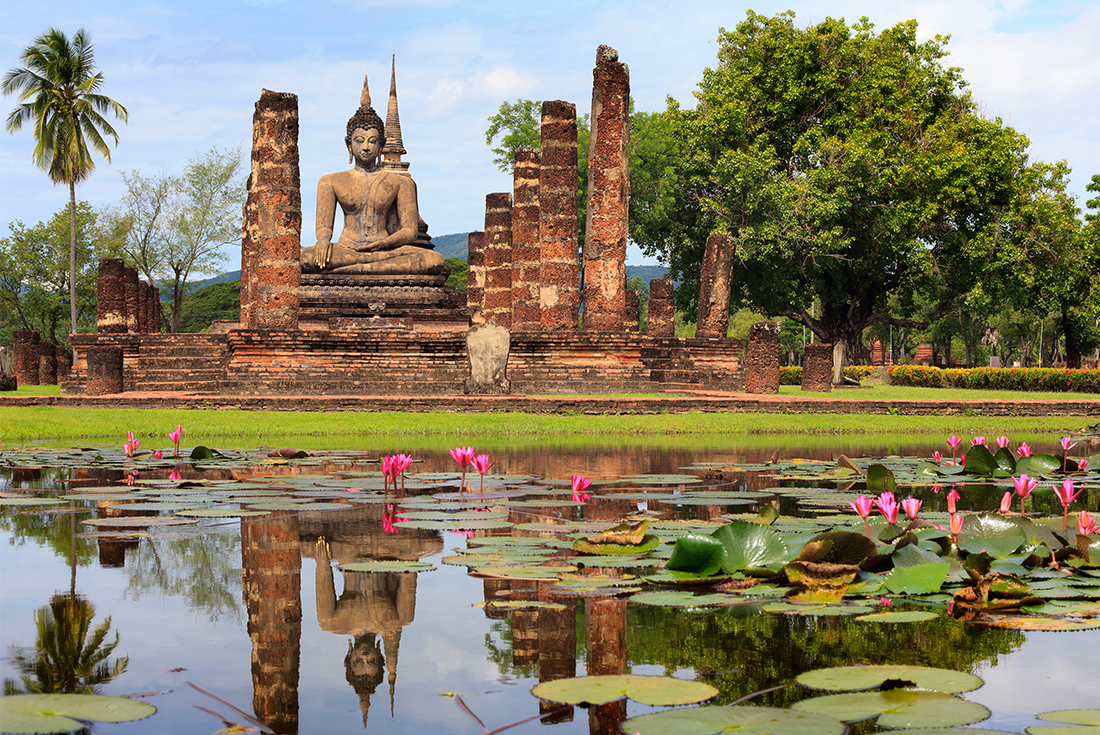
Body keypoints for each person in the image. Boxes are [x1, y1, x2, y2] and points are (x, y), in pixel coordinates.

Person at [301, 89, 444, 275]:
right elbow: (324, 228)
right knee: (301, 258)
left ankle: (351, 270)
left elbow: (410, 231)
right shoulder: (330, 181)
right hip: (346, 249)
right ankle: (363, 269)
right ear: (348, 144)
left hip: (385, 250)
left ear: (382, 145)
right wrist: (322, 242)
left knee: (434, 260)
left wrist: (385, 243)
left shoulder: (401, 183)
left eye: (372, 141)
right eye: (359, 141)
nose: (366, 147)